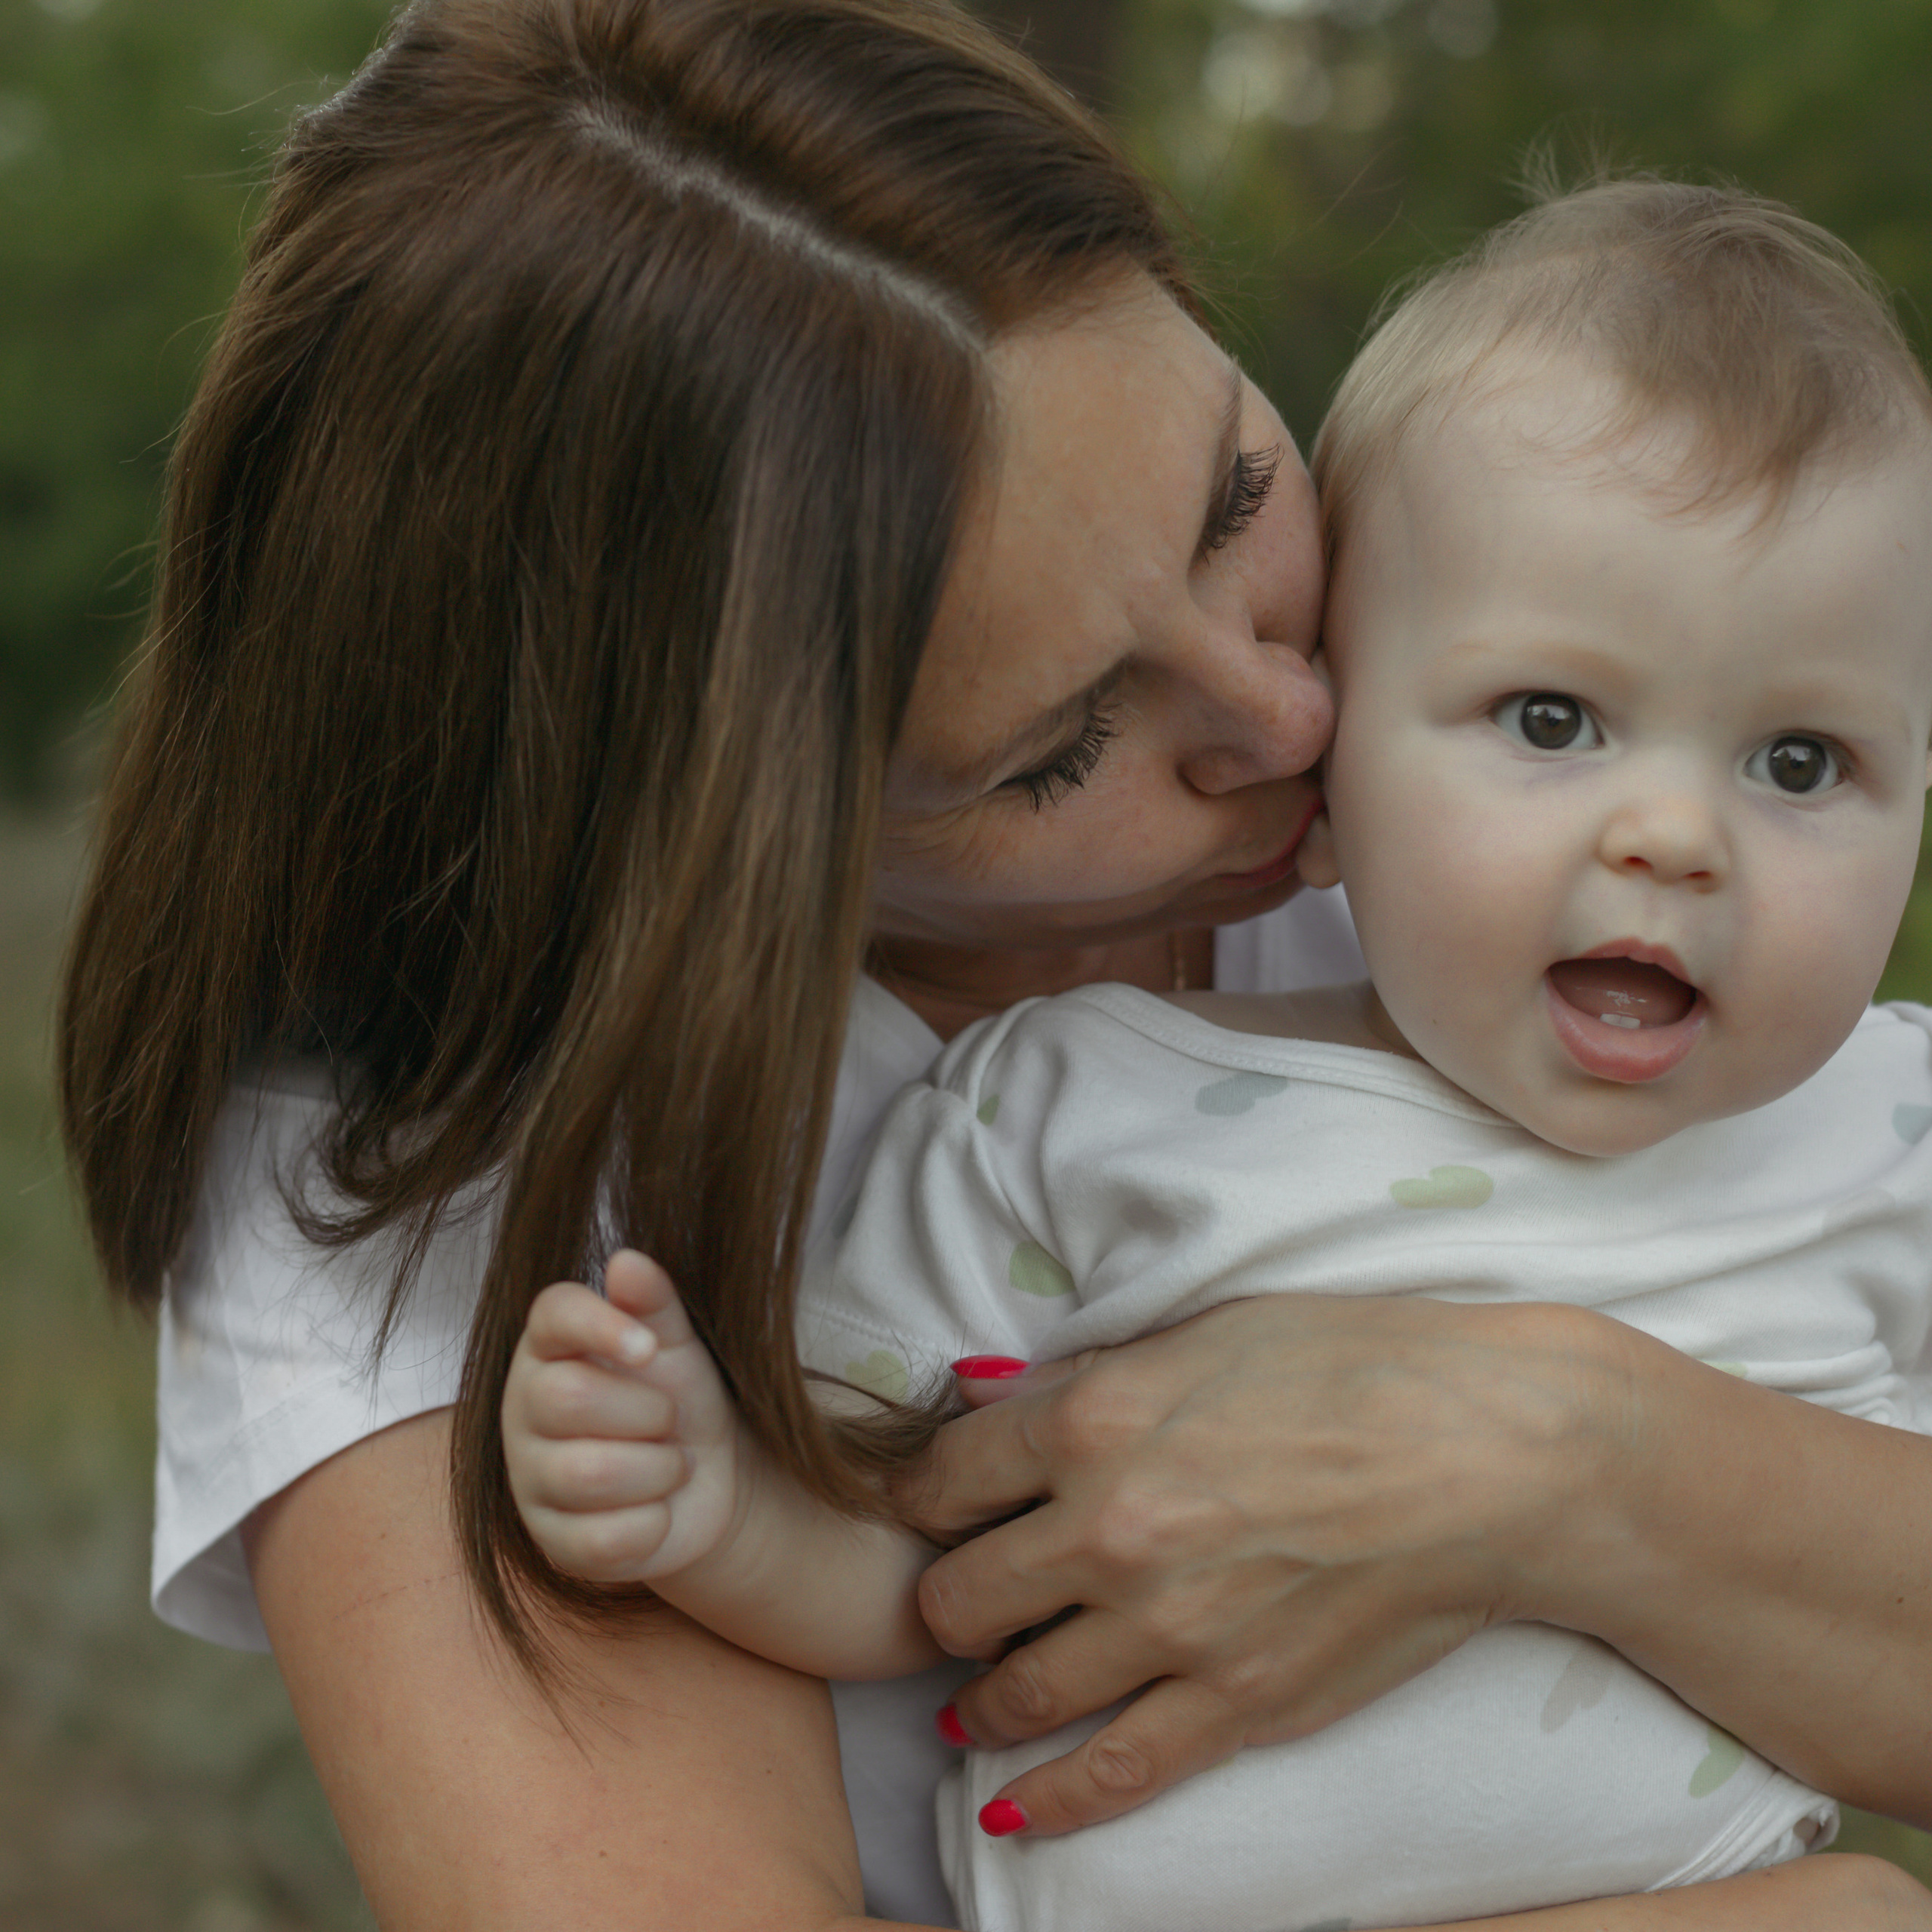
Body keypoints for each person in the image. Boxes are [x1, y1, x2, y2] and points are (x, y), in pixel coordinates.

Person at [52, 0, 1932, 1921]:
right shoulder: (420, 1180)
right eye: (1053, 746)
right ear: (705, 849)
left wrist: (1560, 1462)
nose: (1286, 714)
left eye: (1230, 501)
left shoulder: (1530, 809)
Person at [502, 181, 1932, 1932]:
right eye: (1549, 721)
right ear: (1338, 779)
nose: (1673, 833)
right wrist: (717, 1512)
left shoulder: (1892, 1130)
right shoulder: (1083, 1112)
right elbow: (923, 1546)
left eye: (1798, 761)